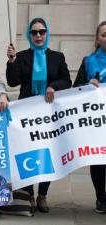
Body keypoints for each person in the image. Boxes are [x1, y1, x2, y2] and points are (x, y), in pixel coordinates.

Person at [6, 18, 71, 213]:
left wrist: (53, 86)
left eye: (42, 31)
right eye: (34, 32)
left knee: (48, 154)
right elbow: (12, 82)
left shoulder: (57, 57)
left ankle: (43, 195)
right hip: (26, 113)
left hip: (49, 114)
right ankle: (29, 195)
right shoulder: (22, 56)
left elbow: (67, 80)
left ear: (47, 33)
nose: (38, 35)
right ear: (29, 35)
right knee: (28, 152)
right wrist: (11, 62)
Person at [73, 21, 106, 214]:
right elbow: (75, 88)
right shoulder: (88, 61)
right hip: (96, 120)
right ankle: (101, 198)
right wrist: (88, 84)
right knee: (99, 159)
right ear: (97, 39)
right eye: (103, 34)